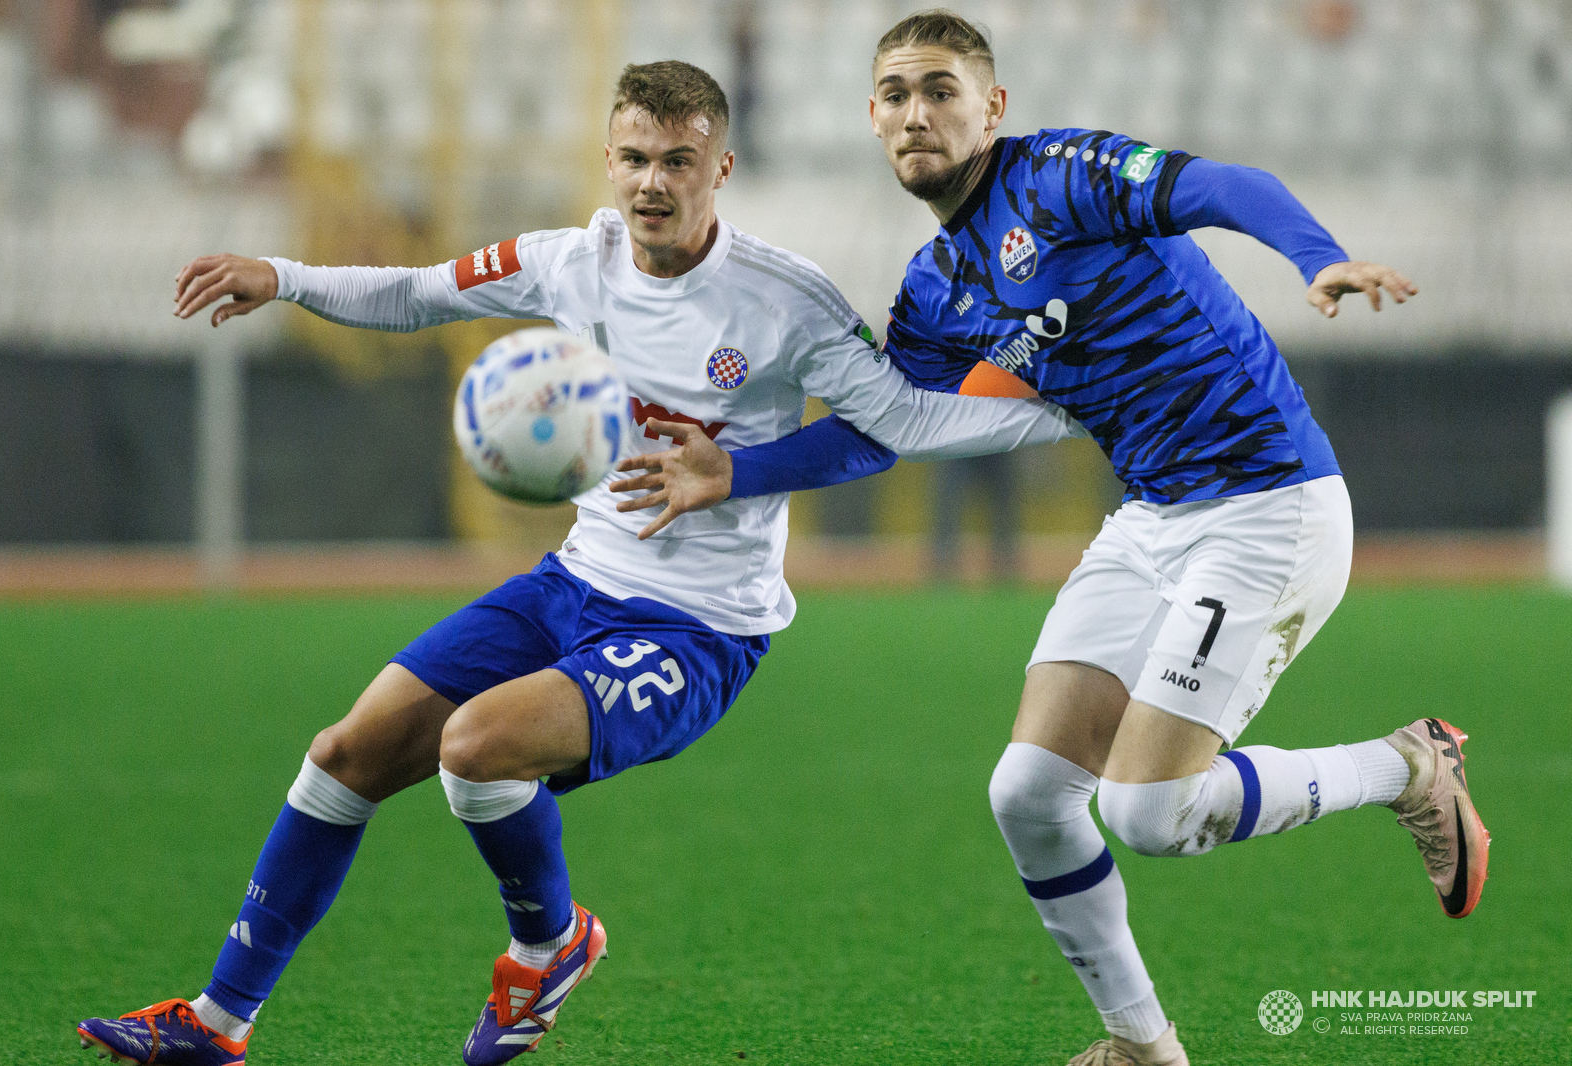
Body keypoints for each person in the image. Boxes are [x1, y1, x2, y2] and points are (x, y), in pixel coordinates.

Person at [74, 59, 1083, 1066]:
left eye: (678, 162)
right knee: (344, 754)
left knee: (475, 748)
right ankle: (217, 1024)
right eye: (635, 159)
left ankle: (549, 944)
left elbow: (882, 429)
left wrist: (732, 474)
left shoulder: (787, 302)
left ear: (719, 167)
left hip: (697, 626)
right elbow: (420, 293)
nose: (653, 182)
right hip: (572, 582)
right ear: (608, 160)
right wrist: (282, 276)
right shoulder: (568, 261)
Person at [608, 13, 1489, 1066]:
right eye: (893, 93)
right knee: (1026, 794)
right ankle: (1142, 1046)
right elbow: (882, 431)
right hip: (1154, 515)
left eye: (940, 88)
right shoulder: (936, 288)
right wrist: (735, 472)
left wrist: (1321, 255)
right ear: (871, 119)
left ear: (993, 108)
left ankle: (1406, 766)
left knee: (1149, 812)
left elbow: (1221, 185)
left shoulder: (1063, 176)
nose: (915, 111)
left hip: (1269, 505)